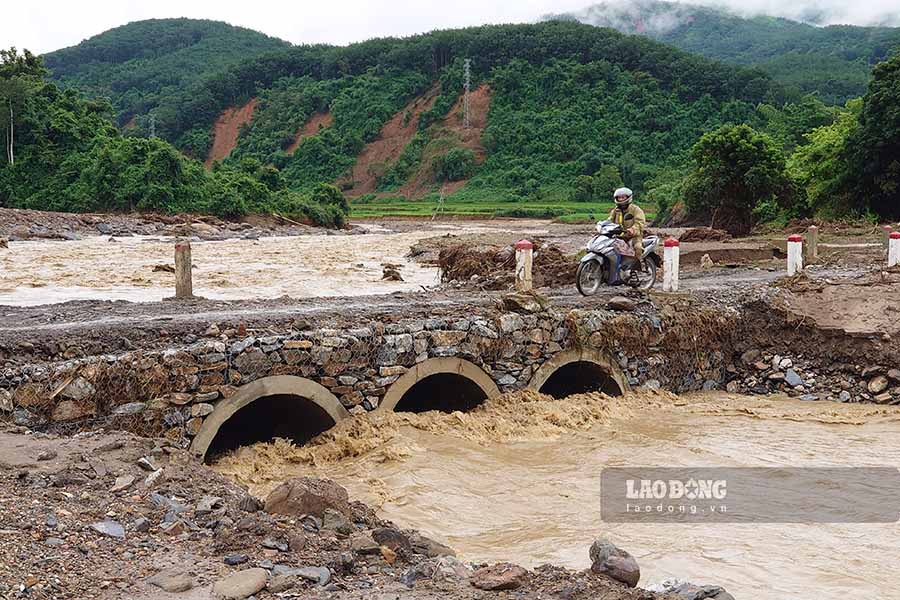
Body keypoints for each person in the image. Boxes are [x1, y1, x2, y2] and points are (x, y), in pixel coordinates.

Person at [606, 187, 646, 284]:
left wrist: (632, 230)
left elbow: (640, 223)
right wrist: (603, 227)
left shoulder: (636, 210)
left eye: (623, 197)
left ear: (628, 198)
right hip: (618, 236)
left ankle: (634, 272)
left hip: (633, 236)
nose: (621, 199)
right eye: (619, 197)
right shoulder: (615, 211)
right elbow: (609, 221)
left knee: (637, 247)